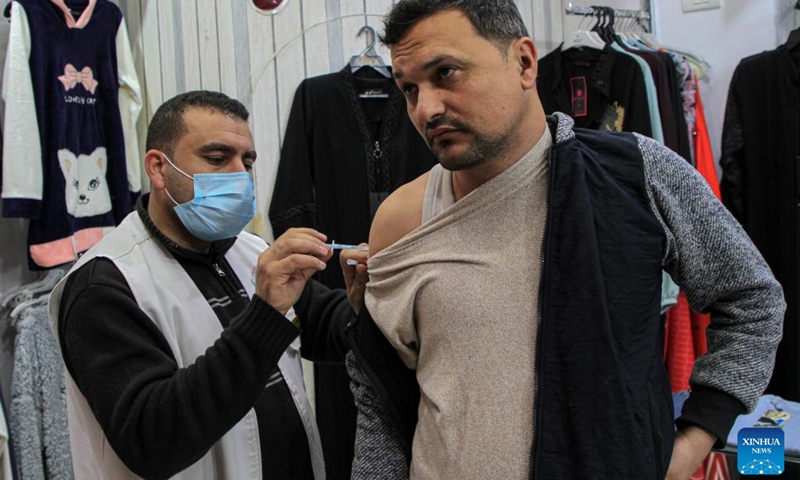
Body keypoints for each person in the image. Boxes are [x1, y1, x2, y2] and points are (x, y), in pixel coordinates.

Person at [343, 1, 786, 479]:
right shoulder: (401, 220)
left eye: (446, 72)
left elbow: (753, 300)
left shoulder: (634, 175)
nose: (425, 108)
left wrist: (696, 438)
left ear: (525, 63)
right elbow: (380, 395)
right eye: (409, 89)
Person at [47, 90, 368, 480]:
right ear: (158, 168)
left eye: (246, 161)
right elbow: (154, 438)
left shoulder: (247, 250)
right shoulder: (104, 286)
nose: (239, 175)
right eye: (218, 159)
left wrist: (362, 304)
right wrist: (264, 315)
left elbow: (319, 320)